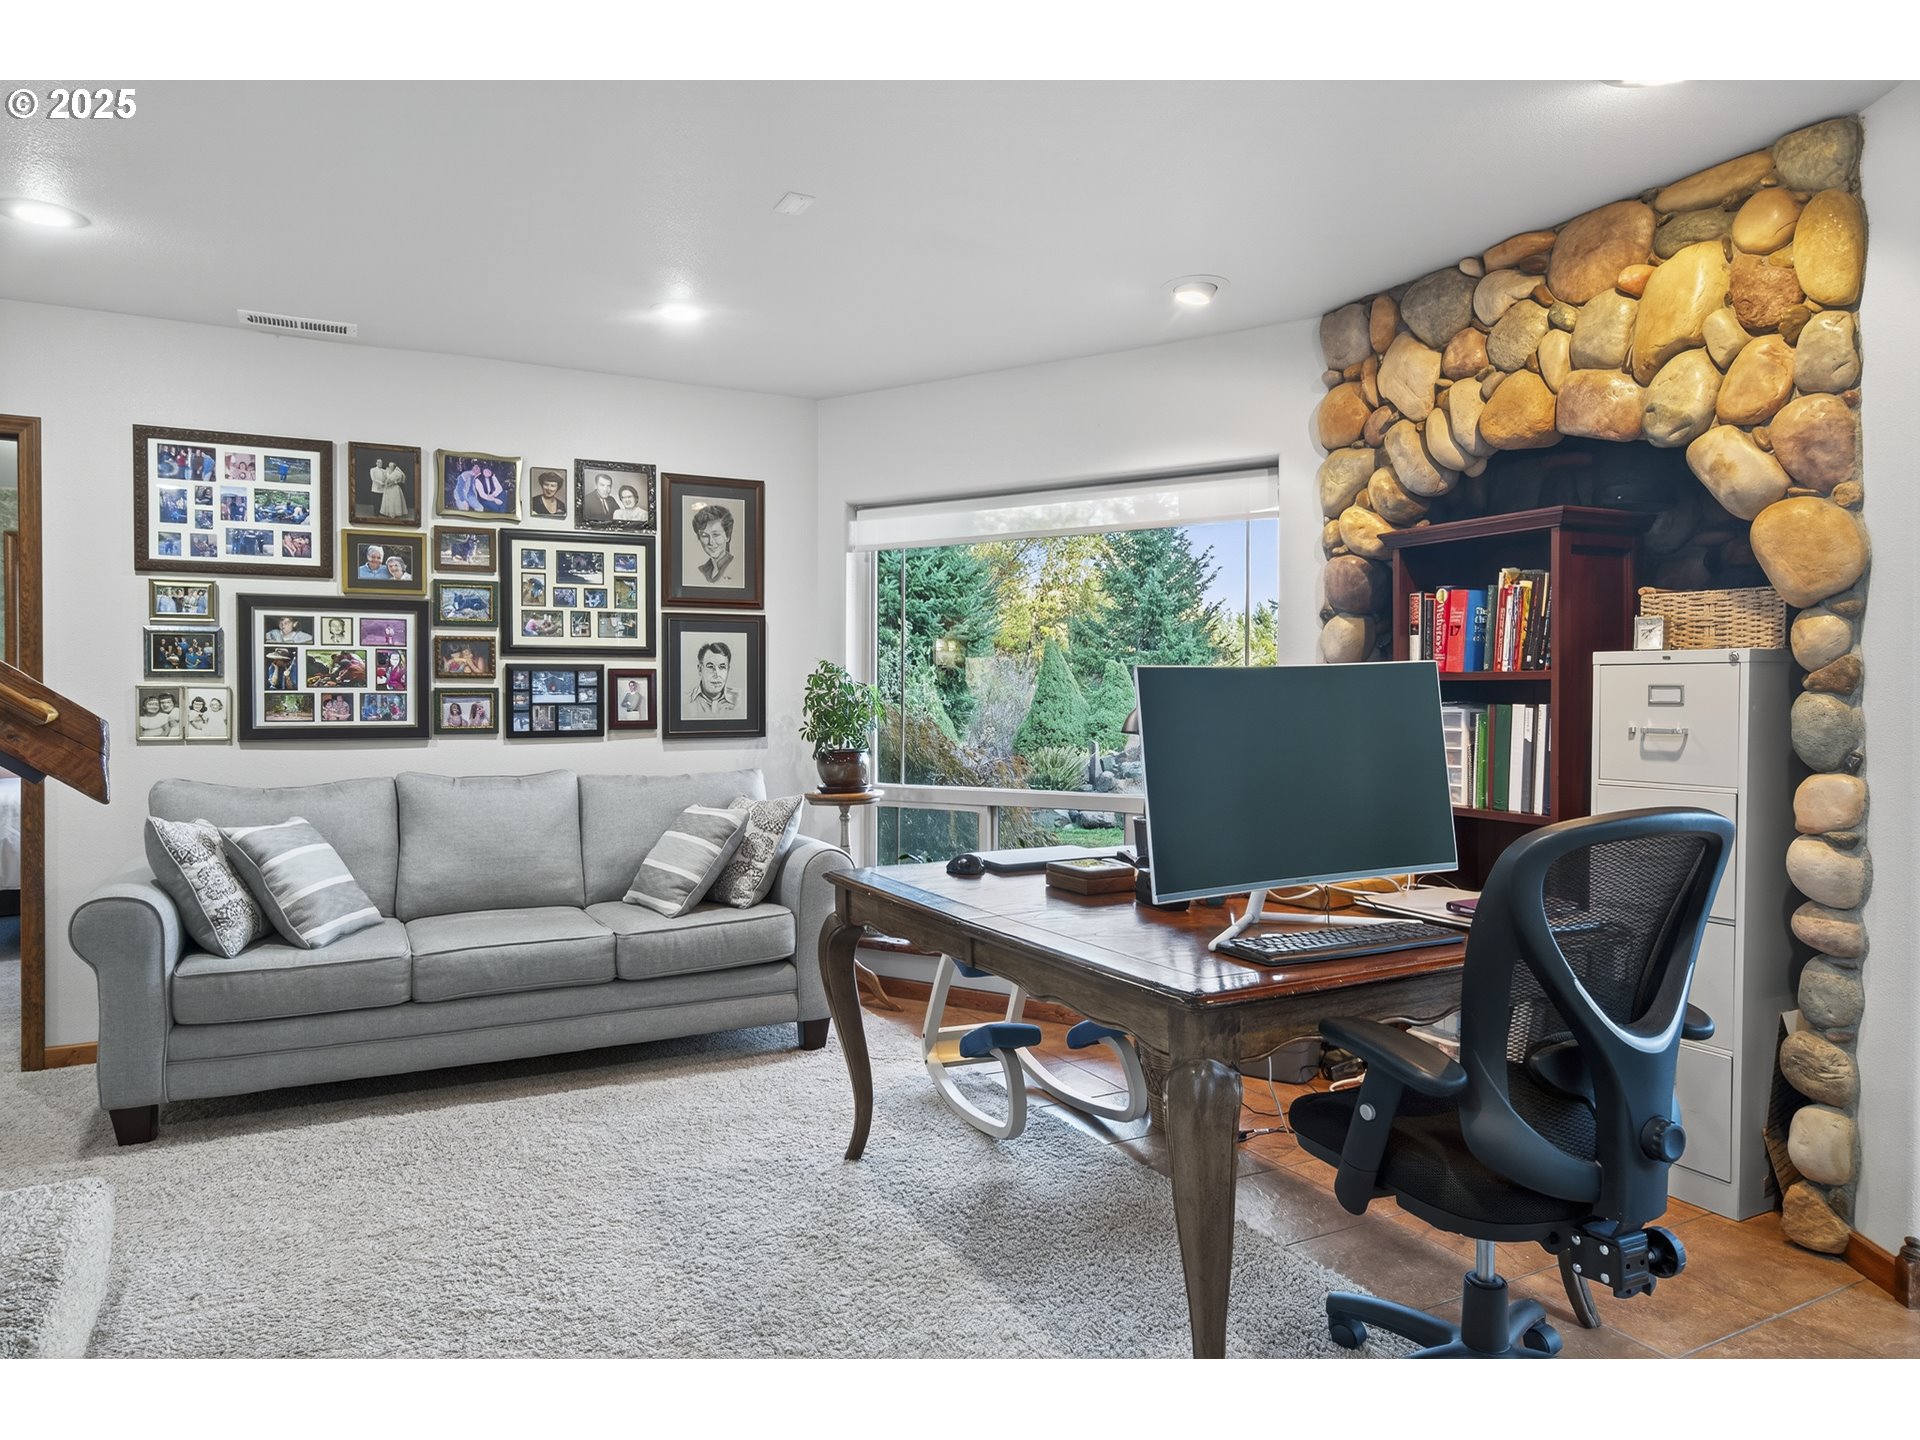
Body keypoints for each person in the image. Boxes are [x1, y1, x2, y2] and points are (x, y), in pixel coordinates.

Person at [686, 640, 739, 715]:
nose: (717, 674)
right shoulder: (685, 701)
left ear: (728, 670)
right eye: (710, 667)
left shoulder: (740, 700)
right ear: (700, 669)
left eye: (722, 667)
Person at [691, 502, 737, 585]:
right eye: (704, 535)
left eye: (716, 534)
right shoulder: (701, 571)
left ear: (727, 536)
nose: (711, 542)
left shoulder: (737, 567)